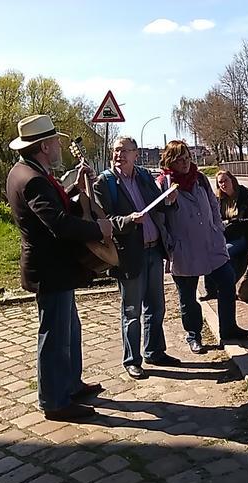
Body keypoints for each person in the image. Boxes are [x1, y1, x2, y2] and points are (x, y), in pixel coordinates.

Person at [6, 114, 112, 420]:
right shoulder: (33, 179)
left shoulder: (27, 170)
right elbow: (59, 224)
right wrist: (98, 228)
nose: (58, 147)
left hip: (57, 267)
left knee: (69, 329)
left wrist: (74, 188)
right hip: (50, 269)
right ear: (43, 146)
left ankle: (70, 384)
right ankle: (54, 402)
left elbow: (52, 207)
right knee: (54, 336)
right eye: (54, 142)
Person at [94, 136, 181, 380]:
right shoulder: (104, 183)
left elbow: (157, 206)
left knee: (156, 306)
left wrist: (169, 201)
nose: (119, 155)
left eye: (125, 151)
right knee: (132, 311)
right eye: (116, 150)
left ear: (135, 154)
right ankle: (132, 360)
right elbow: (103, 221)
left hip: (154, 250)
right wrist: (129, 220)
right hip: (129, 255)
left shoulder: (143, 176)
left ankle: (155, 351)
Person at [157, 141, 248, 351]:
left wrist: (217, 230)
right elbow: (160, 219)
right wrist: (170, 245)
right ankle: (194, 336)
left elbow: (213, 205)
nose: (185, 163)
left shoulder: (199, 178)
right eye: (179, 160)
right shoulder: (164, 183)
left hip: (211, 244)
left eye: (187, 158)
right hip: (183, 249)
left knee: (227, 281)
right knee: (188, 296)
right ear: (170, 161)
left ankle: (228, 328)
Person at [199, 169, 248, 301]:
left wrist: (231, 223)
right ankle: (211, 290)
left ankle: (228, 289)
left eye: (225, 181)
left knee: (225, 253)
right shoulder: (219, 200)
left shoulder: (245, 196)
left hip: (244, 236)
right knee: (209, 253)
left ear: (232, 180)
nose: (223, 184)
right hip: (225, 236)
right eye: (220, 182)